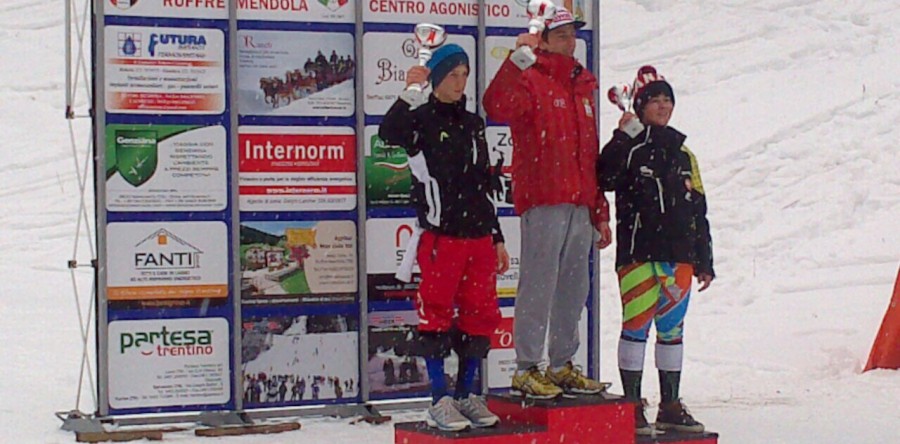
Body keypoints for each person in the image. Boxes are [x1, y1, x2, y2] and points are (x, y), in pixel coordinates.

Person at [379, 43, 509, 431]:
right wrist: (409, 91)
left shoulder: (473, 123)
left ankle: (466, 394)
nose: (460, 82)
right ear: (436, 78)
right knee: (435, 315)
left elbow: (483, 183)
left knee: (479, 315)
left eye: (464, 74)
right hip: (442, 237)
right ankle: (439, 399)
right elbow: (388, 131)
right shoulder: (420, 120)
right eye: (452, 74)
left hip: (478, 237)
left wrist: (497, 236)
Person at [483, 7, 612, 399]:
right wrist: (515, 60)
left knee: (574, 287)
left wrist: (599, 209)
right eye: (561, 36)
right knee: (538, 284)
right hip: (544, 196)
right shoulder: (530, 76)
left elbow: (589, 152)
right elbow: (495, 105)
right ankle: (526, 367)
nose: (570, 42)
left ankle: (560, 364)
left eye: (572, 35)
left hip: (580, 201)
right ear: (542, 40)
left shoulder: (581, 84)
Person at [597, 66, 715, 435]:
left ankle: (670, 405)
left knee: (672, 331)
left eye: (668, 100)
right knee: (636, 327)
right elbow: (604, 177)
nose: (663, 106)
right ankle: (632, 407)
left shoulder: (684, 154)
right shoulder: (629, 147)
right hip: (638, 256)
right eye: (655, 100)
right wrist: (622, 135)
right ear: (641, 106)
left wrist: (705, 259)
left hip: (679, 257)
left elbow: (699, 209)